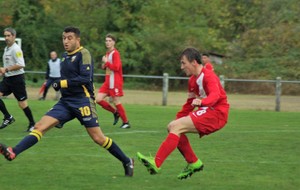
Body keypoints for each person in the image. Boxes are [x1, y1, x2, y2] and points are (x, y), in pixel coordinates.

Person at [0, 26, 134, 177]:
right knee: (39, 127)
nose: (66, 41)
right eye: (64, 38)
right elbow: (66, 80)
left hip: (83, 101)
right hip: (65, 102)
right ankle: (13, 152)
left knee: (98, 138)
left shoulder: (84, 54)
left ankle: (127, 160)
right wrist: (61, 89)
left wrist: (61, 84)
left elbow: (85, 78)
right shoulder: (64, 56)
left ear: (78, 39)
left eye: (70, 38)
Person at [137, 47, 229, 179]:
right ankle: (194, 163)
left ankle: (156, 163)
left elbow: (215, 95)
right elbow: (189, 103)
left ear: (194, 63)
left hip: (217, 113)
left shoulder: (208, 76)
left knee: (176, 127)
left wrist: (202, 102)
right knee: (172, 126)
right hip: (207, 110)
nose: (181, 67)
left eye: (183, 63)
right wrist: (177, 119)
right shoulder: (192, 80)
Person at [0, 27, 35, 132]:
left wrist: (6, 69)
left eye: (8, 36)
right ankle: (8, 117)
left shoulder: (16, 49)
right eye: (5, 35)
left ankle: (32, 124)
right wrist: (3, 72)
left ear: (14, 36)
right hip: (8, 79)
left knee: (22, 104)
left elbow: (21, 64)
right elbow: (8, 65)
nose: (6, 38)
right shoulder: (6, 49)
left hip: (17, 80)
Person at [96, 34, 130, 129]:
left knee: (116, 101)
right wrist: (104, 66)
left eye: (110, 40)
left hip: (115, 81)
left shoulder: (115, 53)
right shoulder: (107, 53)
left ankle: (126, 122)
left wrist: (106, 62)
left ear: (114, 42)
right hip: (107, 82)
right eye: (106, 40)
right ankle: (115, 113)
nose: (107, 42)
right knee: (98, 99)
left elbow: (116, 67)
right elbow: (109, 67)